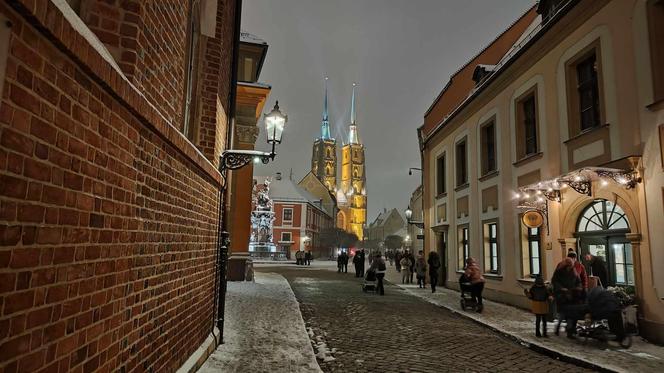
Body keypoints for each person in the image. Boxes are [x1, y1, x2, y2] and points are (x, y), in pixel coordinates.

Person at [551, 258, 583, 338]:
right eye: (569, 266)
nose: (570, 268)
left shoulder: (574, 271)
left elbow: (578, 281)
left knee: (570, 315)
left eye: (571, 266)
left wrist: (579, 287)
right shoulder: (559, 271)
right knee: (563, 314)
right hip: (562, 296)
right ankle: (560, 328)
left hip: (572, 295)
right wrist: (561, 288)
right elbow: (554, 281)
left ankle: (569, 331)